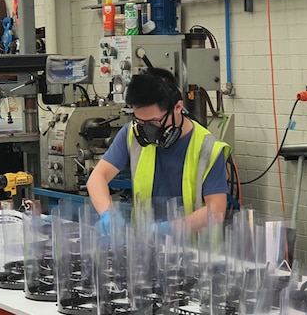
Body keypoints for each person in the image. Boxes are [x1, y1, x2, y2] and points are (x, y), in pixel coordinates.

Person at [86, 67, 230, 234]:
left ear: (177, 108)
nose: (147, 130)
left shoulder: (208, 148)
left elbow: (217, 211)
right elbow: (97, 178)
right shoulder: (131, 133)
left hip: (196, 253)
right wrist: (107, 213)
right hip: (145, 248)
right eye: (140, 121)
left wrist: (170, 229)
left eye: (155, 121)